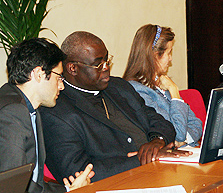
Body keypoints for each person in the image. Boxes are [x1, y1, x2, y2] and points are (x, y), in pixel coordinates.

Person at [39, 31, 188, 183]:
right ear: (72, 68)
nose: (106, 67)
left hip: (158, 174)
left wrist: (158, 140)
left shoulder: (119, 86)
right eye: (98, 64)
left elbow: (159, 121)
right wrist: (144, 159)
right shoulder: (56, 111)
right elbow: (77, 173)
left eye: (107, 60)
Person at [0, 38, 94, 193]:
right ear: (38, 74)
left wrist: (68, 190)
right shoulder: (12, 113)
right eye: (59, 77)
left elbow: (33, 185)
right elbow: (12, 188)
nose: (62, 86)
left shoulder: (28, 109)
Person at [123, 24, 202, 147]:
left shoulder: (162, 82)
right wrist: (174, 91)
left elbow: (196, 124)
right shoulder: (138, 91)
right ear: (154, 56)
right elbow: (177, 133)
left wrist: (182, 141)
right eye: (168, 53)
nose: (170, 59)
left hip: (186, 153)